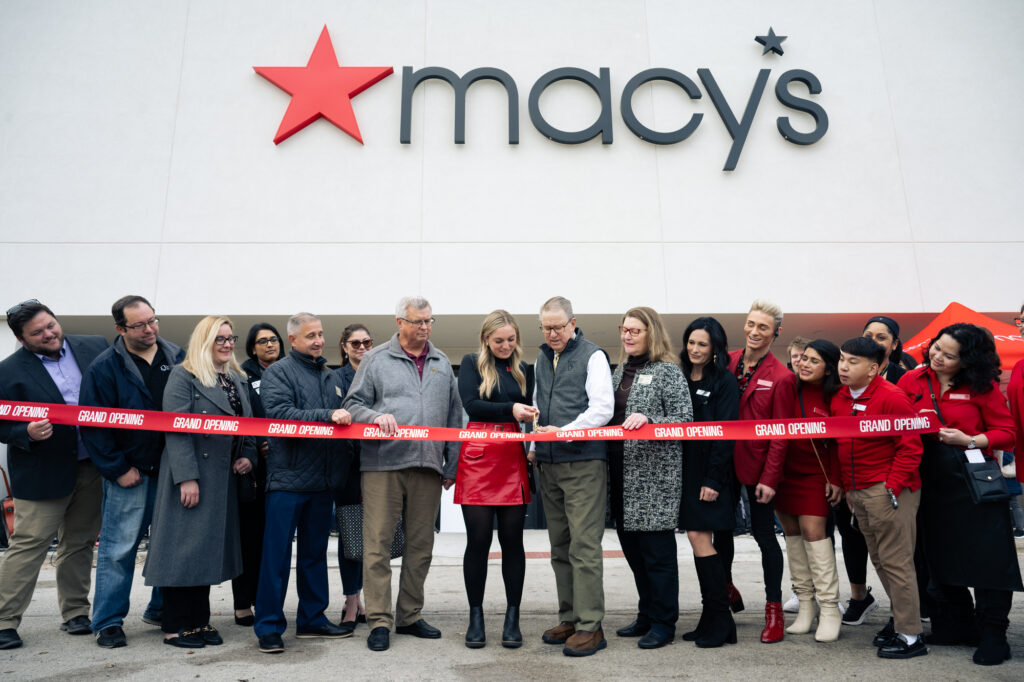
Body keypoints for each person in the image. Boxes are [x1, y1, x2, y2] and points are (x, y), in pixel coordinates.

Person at [898, 323, 1022, 665]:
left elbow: (1006, 433)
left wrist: (968, 439)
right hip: (927, 480)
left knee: (989, 559)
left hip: (972, 482)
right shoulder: (912, 380)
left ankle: (994, 632)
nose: (937, 356)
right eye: (937, 348)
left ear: (968, 360)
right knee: (937, 555)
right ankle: (958, 624)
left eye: (949, 355)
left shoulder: (982, 386)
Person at [344, 296, 462, 653]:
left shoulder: (442, 362)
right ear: (399, 322)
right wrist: (373, 416)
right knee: (377, 544)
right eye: (417, 322)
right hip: (384, 465)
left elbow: (456, 416)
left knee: (420, 546)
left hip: (427, 466)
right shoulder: (376, 359)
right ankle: (379, 621)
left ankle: (410, 615)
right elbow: (352, 404)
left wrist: (451, 463)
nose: (424, 328)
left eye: (429, 321)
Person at [142, 316, 257, 648]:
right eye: (218, 338)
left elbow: (249, 424)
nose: (226, 344)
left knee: (205, 553)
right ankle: (176, 625)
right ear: (204, 341)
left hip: (223, 479)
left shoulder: (235, 379)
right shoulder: (184, 375)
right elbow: (176, 430)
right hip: (193, 476)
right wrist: (187, 478)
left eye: (229, 338)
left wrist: (247, 454)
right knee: (183, 551)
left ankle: (199, 621)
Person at [0, 301, 107, 650]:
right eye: (37, 332)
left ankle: (76, 613)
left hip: (91, 464)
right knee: (29, 547)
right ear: (21, 338)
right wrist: (24, 432)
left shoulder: (94, 346)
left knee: (79, 542)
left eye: (51, 325)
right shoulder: (8, 371)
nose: (48, 334)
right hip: (41, 472)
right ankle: (4, 620)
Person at [80, 295, 183, 647]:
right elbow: (93, 425)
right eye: (139, 325)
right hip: (130, 474)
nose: (150, 329)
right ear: (120, 328)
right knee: (118, 549)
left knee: (169, 545)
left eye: (153, 320)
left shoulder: (177, 356)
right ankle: (108, 621)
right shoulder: (104, 367)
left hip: (171, 470)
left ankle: (159, 608)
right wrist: (117, 468)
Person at [254, 312, 354, 654]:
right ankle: (268, 626)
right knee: (276, 557)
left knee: (314, 555)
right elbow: (281, 415)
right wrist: (328, 416)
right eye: (310, 335)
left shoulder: (329, 376)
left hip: (322, 483)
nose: (318, 340)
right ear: (293, 340)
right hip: (287, 480)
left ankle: (312, 619)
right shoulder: (278, 373)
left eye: (321, 334)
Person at [528, 296, 613, 657]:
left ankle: (591, 626)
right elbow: (536, 403)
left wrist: (562, 433)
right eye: (546, 327)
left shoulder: (593, 356)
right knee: (560, 547)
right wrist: (535, 442)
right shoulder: (542, 357)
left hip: (582, 463)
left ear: (573, 323)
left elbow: (602, 409)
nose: (552, 334)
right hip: (548, 463)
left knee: (584, 547)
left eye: (558, 327)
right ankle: (570, 617)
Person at [446, 310, 536, 649]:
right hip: (479, 455)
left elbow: (529, 407)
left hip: (512, 455)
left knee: (513, 541)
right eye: (499, 340)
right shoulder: (471, 363)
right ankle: (476, 617)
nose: (506, 345)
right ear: (486, 339)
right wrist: (511, 409)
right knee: (479, 541)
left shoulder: (524, 368)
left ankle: (513, 619)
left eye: (511, 340)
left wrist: (529, 418)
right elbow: (472, 405)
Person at [832, 337, 926, 659]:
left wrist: (892, 487)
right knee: (882, 562)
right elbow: (840, 446)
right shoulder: (840, 399)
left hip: (888, 491)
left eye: (853, 361)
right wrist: (844, 485)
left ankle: (911, 636)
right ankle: (901, 622)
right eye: (843, 359)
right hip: (858, 493)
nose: (844, 366)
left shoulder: (892, 397)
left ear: (873, 369)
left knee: (897, 564)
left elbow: (911, 447)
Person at [607, 307, 691, 649]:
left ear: (650, 333)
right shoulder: (617, 372)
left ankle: (663, 622)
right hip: (620, 476)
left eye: (635, 330)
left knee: (658, 556)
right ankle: (646, 614)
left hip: (654, 480)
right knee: (634, 554)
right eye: (624, 329)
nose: (627, 335)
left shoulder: (668, 373)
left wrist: (650, 418)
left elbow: (685, 421)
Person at [713, 299, 795, 643]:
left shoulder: (782, 377)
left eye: (763, 327)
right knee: (721, 533)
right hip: (722, 463)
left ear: (775, 333)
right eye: (751, 324)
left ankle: (773, 610)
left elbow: (780, 433)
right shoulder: (726, 362)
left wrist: (770, 478)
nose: (755, 331)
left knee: (765, 537)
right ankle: (726, 588)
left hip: (758, 467)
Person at [774, 340, 844, 642]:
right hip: (783, 473)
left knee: (814, 532)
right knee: (791, 536)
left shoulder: (836, 394)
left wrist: (836, 478)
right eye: (803, 358)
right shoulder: (787, 386)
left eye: (813, 361)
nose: (804, 364)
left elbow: (842, 440)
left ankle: (830, 608)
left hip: (818, 474)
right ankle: (805, 604)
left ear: (828, 367)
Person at [678, 317, 739, 648]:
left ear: (715, 348)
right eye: (691, 342)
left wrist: (714, 479)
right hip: (684, 472)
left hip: (710, 475)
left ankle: (722, 620)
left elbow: (727, 433)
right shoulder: (680, 377)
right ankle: (711, 617)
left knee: (700, 537)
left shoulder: (724, 382)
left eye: (702, 344)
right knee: (695, 538)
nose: (695, 349)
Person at [233, 322, 284, 627]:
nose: (269, 345)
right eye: (262, 341)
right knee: (248, 539)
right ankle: (242, 603)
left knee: (272, 542)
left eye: (273, 340)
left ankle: (266, 600)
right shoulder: (242, 375)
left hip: (285, 467)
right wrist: (254, 448)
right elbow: (242, 418)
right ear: (252, 348)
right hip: (252, 467)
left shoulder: (291, 370)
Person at [332, 323, 373, 630]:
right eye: (355, 343)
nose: (361, 347)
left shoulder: (379, 373)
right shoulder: (335, 378)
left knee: (375, 537)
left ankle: (371, 600)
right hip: (346, 467)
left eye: (366, 342)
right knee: (349, 535)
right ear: (344, 347)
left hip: (377, 463)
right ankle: (351, 600)